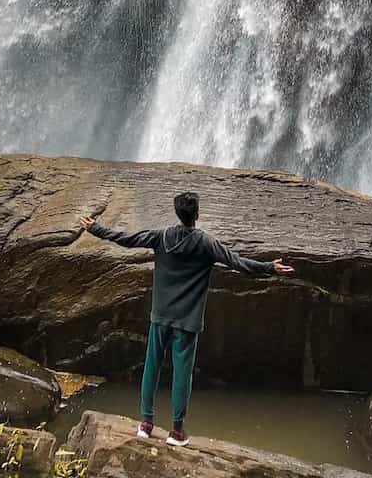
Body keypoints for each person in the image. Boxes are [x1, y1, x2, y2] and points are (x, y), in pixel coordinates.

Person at [81, 190, 293, 447]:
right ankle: (176, 432)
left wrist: (96, 229)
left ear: (177, 212)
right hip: (187, 320)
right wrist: (269, 268)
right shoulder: (206, 243)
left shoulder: (161, 237)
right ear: (197, 214)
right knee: (182, 374)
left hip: (161, 315)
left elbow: (128, 239)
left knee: (151, 367)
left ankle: (145, 424)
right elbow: (238, 263)